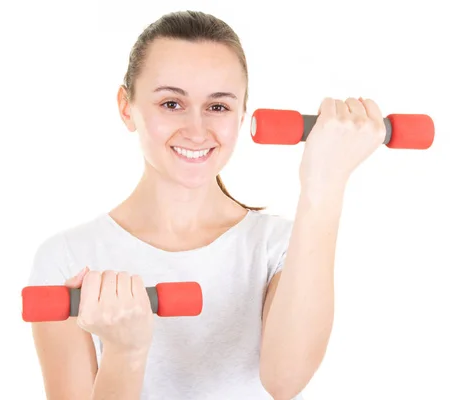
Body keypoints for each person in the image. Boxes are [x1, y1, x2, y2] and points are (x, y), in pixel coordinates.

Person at [27, 10, 386, 400]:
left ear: (242, 113)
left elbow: (285, 382)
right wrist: (124, 354)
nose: (197, 131)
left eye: (218, 107)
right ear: (126, 107)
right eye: (171, 104)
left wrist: (325, 183)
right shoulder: (66, 258)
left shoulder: (280, 247)